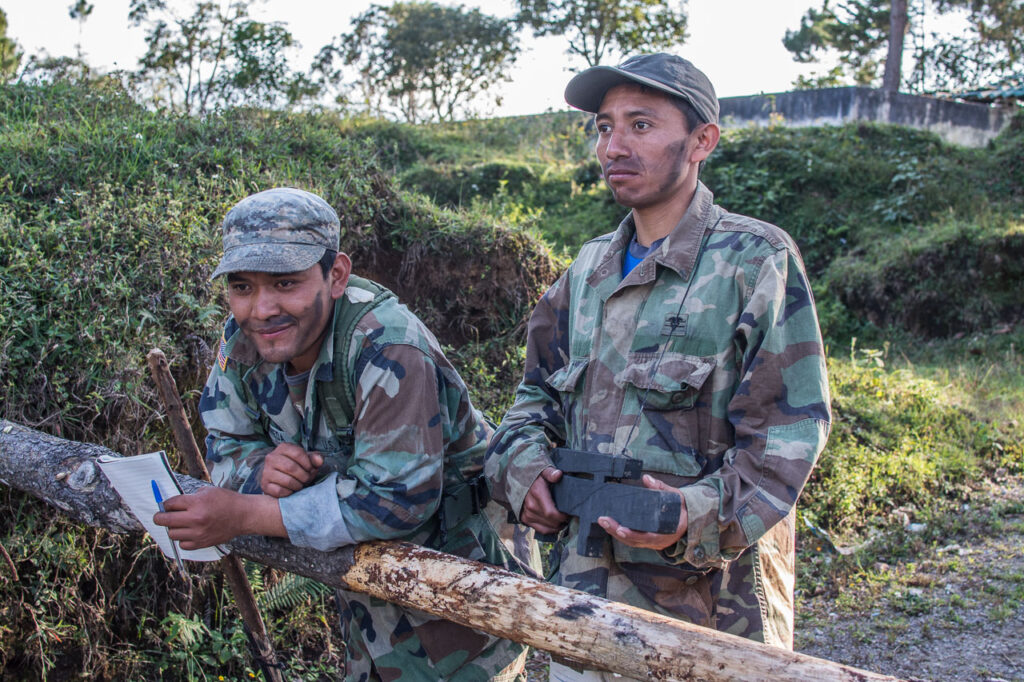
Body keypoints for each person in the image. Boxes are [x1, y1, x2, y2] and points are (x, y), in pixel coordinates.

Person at [484, 53, 831, 680]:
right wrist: (524, 469)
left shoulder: (754, 261)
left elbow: (789, 433)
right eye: (604, 127)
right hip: (583, 598)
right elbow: (534, 397)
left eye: (640, 125)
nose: (613, 146)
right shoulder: (587, 270)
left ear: (702, 141)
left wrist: (689, 513)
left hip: (709, 612)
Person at [153, 187, 538, 682]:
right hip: (364, 612)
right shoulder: (246, 338)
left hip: (461, 601)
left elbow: (395, 501)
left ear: (335, 275)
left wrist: (245, 513)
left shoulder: (388, 345)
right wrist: (261, 470)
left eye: (285, 282)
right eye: (242, 286)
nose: (261, 308)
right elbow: (225, 443)